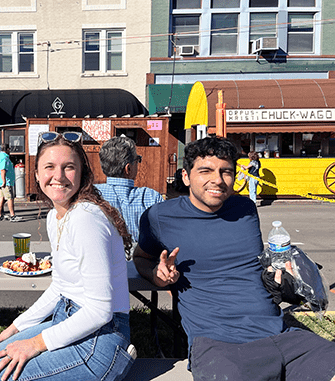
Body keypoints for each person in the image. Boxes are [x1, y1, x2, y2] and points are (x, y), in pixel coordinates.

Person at [133, 136, 335, 381]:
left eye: (226, 171)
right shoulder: (159, 217)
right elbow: (141, 257)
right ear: (185, 176)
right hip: (220, 346)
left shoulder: (246, 209)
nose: (217, 180)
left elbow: (255, 264)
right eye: (205, 170)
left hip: (283, 335)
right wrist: (157, 274)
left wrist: (281, 277)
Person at [0, 131, 136, 381]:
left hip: (100, 343)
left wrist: (35, 343)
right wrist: (17, 326)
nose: (58, 176)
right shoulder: (55, 216)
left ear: (82, 174)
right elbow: (60, 287)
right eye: (49, 167)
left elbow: (100, 311)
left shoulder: (85, 218)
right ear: (36, 174)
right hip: (69, 322)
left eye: (68, 167)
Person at [95, 136, 164, 258]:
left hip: (102, 260)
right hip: (144, 265)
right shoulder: (151, 197)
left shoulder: (92, 194)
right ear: (128, 168)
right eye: (138, 160)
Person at [0, 144, 21, 222]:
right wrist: (4, 181)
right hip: (6, 182)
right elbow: (3, 170)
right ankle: (12, 215)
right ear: (7, 149)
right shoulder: (4, 157)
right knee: (10, 198)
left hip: (0, 181)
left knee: (1, 198)